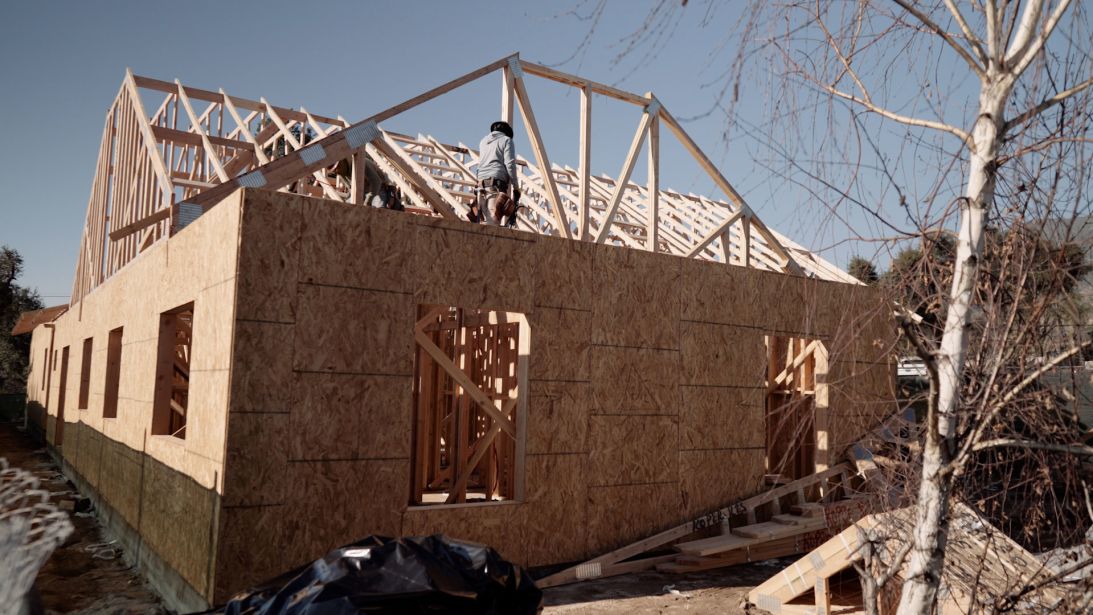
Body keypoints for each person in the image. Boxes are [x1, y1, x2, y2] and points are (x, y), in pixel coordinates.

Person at [472, 121, 521, 225]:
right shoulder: (507, 140)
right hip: (495, 185)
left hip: (480, 184)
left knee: (481, 223)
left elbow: (480, 163)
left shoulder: (483, 141)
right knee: (492, 223)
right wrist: (516, 187)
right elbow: (510, 164)